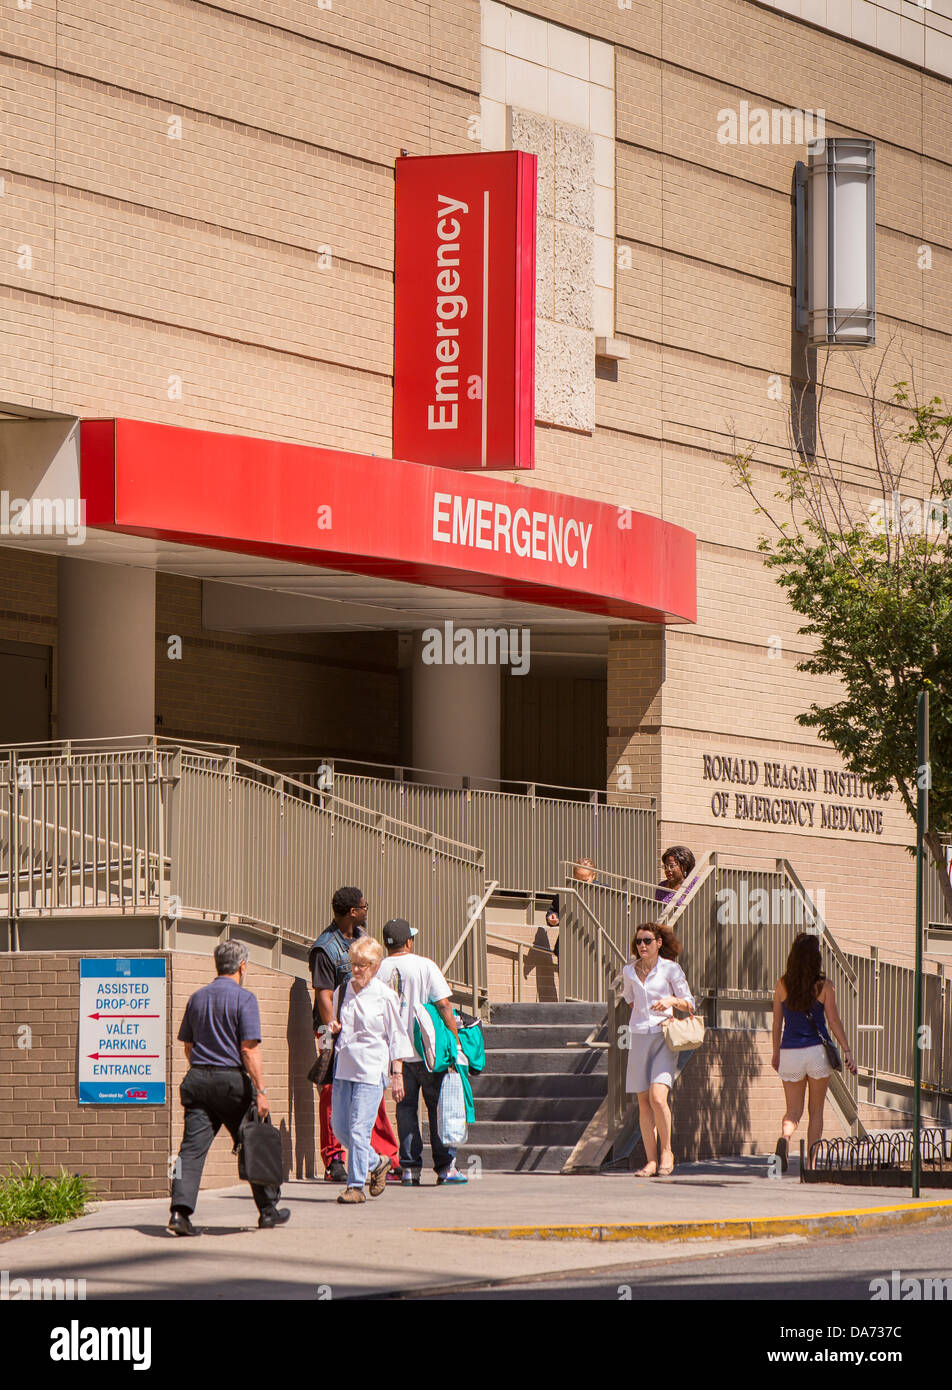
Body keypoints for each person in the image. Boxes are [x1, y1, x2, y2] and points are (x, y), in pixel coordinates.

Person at [169, 941, 290, 1234]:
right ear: (242, 966)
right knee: (255, 1141)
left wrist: (202, 1068)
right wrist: (261, 1091)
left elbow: (188, 1045)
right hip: (232, 1082)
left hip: (198, 1080)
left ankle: (179, 1213)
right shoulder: (244, 999)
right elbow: (248, 1049)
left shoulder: (197, 998)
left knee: (190, 1151)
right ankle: (268, 1210)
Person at [309, 886, 401, 1183]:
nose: (366, 910)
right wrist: (331, 1033)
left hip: (365, 1032)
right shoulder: (325, 947)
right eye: (365, 906)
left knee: (369, 1094)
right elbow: (323, 994)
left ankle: (383, 1154)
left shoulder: (364, 941)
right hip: (331, 1028)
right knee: (330, 1092)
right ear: (353, 911)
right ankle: (334, 1157)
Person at [376, 917, 468, 1185]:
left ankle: (409, 1169)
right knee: (438, 1108)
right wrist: (455, 1040)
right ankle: (445, 1168)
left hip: (397, 1056)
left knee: (405, 1111)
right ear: (409, 941)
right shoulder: (425, 965)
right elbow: (443, 1005)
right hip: (429, 1053)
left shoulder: (379, 970)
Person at [324, 937, 415, 1204]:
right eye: (354, 964)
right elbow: (338, 1023)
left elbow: (397, 1036)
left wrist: (397, 1074)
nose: (357, 970)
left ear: (375, 966)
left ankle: (355, 1187)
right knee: (340, 1129)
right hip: (344, 1068)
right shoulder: (343, 991)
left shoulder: (385, 995)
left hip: (371, 1071)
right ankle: (378, 1163)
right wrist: (334, 1028)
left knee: (358, 1130)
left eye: (363, 965)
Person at [772, 932, 857, 1172]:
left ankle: (785, 1138)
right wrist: (847, 1050)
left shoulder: (782, 984)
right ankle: (810, 1164)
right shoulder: (825, 986)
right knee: (816, 1111)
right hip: (817, 1053)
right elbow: (834, 1021)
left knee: (793, 1111)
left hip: (790, 1053)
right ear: (816, 957)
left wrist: (775, 1053)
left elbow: (777, 1024)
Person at [621, 922, 695, 1178]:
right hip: (639, 1036)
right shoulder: (629, 971)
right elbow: (631, 1001)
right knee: (643, 1102)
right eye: (639, 941)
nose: (642, 945)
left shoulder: (670, 969)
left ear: (658, 943)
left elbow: (690, 1003)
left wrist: (671, 1001)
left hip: (664, 1036)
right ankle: (651, 1161)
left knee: (657, 1097)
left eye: (647, 941)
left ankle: (667, 1151)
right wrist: (644, 1017)